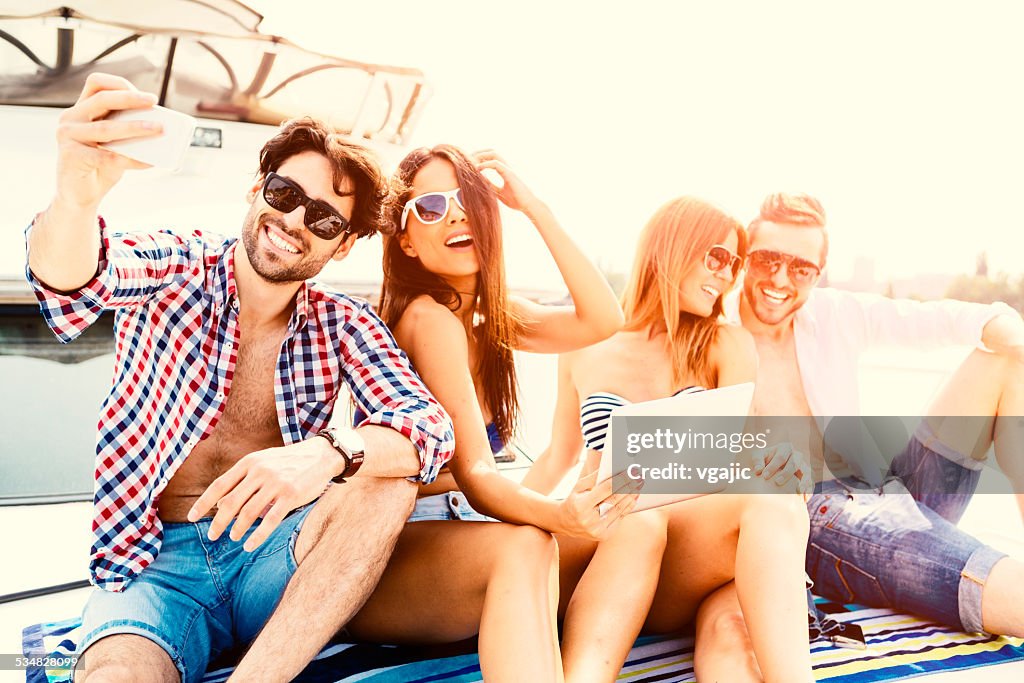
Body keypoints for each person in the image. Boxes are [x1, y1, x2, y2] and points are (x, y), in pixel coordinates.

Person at [25, 73, 454, 683]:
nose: (295, 220)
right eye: (284, 192)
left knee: (385, 482)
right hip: (157, 567)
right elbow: (76, 278)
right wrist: (74, 199)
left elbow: (429, 429)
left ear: (344, 247)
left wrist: (327, 452)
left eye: (326, 220)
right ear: (257, 190)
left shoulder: (343, 325)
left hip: (269, 556)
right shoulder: (177, 264)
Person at [342, 144, 640, 682]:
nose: (456, 214)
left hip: (468, 533)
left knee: (635, 530)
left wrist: (535, 209)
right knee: (531, 541)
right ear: (404, 240)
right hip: (397, 547)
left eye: (469, 201)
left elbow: (603, 318)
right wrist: (563, 515)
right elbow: (477, 476)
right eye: (431, 206)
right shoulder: (427, 318)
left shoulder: (492, 316)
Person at [706, 192, 1024, 661]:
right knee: (986, 576)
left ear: (818, 272)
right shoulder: (713, 338)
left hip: (886, 487)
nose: (779, 279)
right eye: (766, 260)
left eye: (800, 268)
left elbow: (972, 319)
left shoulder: (833, 314)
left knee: (1003, 361)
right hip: (816, 517)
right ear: (742, 258)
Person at [525, 197, 815, 683]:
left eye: (734, 263)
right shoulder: (585, 345)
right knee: (635, 521)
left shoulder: (726, 343)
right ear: (671, 249)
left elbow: (743, 453)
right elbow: (559, 456)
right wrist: (493, 517)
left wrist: (776, 462)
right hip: (601, 539)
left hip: (686, 555)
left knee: (776, 503)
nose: (727, 276)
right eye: (716, 258)